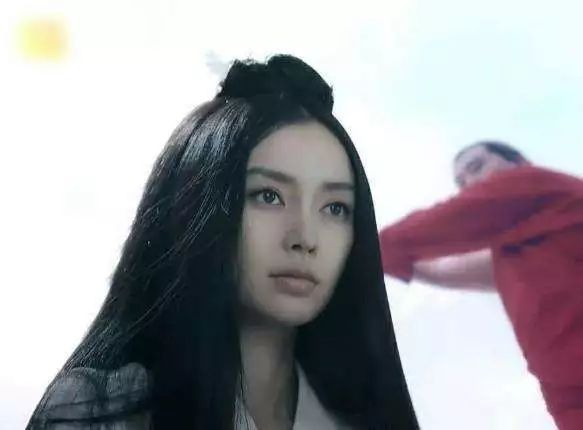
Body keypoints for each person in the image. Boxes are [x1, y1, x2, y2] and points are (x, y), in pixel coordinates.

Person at [27, 55, 418, 429]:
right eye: (268, 196)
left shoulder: (367, 421)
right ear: (197, 204)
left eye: (334, 208)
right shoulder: (95, 412)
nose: (305, 238)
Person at [379, 140, 583, 430]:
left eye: (477, 167)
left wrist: (370, 247)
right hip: (569, 399)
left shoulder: (534, 182)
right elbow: (444, 269)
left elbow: (448, 220)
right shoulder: (513, 252)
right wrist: (389, 262)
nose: (471, 185)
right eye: (461, 183)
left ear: (518, 161)